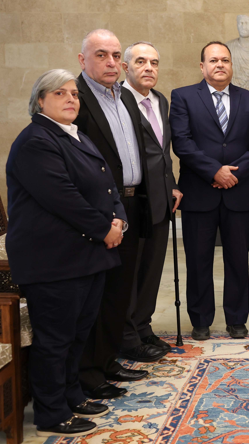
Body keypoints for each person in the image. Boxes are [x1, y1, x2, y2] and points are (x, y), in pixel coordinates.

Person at [6, 69, 126, 436]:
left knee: (78, 334)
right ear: (40, 101)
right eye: (60, 93)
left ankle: (71, 394)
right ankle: (51, 412)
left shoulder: (75, 135)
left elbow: (107, 184)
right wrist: (104, 229)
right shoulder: (35, 141)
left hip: (85, 255)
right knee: (55, 340)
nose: (71, 99)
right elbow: (63, 198)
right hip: (53, 258)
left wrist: (119, 219)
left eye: (74, 93)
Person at [169, 41, 249, 340]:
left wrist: (233, 174)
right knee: (198, 261)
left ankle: (237, 319)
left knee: (238, 260)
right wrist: (214, 171)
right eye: (213, 60)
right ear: (202, 66)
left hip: (238, 193)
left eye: (225, 60)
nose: (220, 65)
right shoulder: (183, 97)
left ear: (231, 65)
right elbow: (182, 142)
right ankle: (200, 320)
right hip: (199, 193)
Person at [73, 29, 151, 399]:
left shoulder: (126, 97)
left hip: (131, 205)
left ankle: (108, 360)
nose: (111, 62)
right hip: (99, 212)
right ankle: (87, 373)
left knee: (120, 292)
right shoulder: (75, 98)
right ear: (82, 60)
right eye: (101, 55)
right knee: (97, 295)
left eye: (116, 55)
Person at [120, 42, 182, 360]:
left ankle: (143, 327)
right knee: (130, 273)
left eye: (154, 62)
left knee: (152, 269)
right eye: (141, 61)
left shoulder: (160, 100)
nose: (148, 68)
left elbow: (162, 152)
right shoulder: (117, 101)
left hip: (160, 200)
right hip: (133, 202)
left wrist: (172, 185)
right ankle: (127, 336)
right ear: (126, 67)